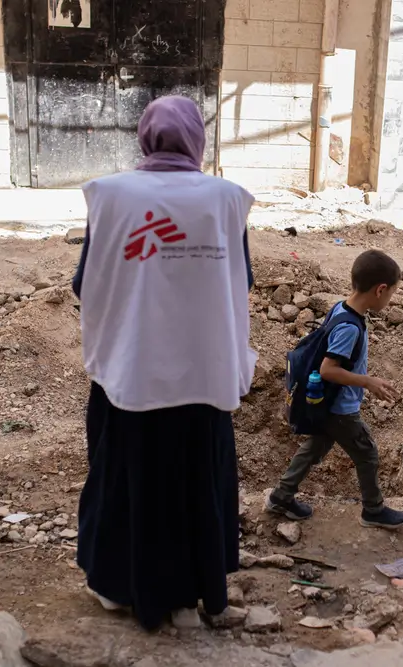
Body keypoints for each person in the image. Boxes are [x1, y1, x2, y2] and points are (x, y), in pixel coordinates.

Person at [71, 95, 257, 631]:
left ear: (144, 136)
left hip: (130, 371)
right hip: (204, 372)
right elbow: (239, 282)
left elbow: (85, 283)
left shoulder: (109, 195)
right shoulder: (226, 200)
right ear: (198, 139)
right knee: (196, 484)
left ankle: (117, 587)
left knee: (126, 482)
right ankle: (195, 594)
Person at [267, 249, 403, 529]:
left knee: (314, 448)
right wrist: (368, 381)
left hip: (327, 404)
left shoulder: (341, 307)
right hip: (340, 409)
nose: (391, 298)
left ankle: (281, 496)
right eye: (393, 293)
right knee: (367, 453)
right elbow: (328, 369)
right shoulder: (350, 328)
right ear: (381, 290)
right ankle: (373, 509)